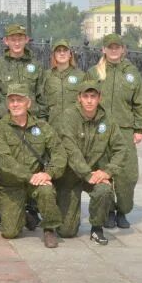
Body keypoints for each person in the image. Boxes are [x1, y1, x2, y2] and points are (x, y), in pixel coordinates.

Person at [0, 85, 68, 248]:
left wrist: (48, 174)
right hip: (11, 184)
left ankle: (49, 229)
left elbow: (59, 153)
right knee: (9, 233)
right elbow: (5, 160)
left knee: (46, 190)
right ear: (7, 104)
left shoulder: (42, 127)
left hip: (37, 182)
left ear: (28, 103)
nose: (15, 104)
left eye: (20, 100)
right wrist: (30, 176)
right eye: (12, 101)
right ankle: (25, 217)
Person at [84, 33, 142, 230]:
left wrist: (139, 128)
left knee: (127, 174)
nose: (113, 50)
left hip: (124, 129)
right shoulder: (95, 73)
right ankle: (109, 211)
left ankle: (123, 210)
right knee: (104, 171)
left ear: (123, 50)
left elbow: (140, 102)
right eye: (109, 47)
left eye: (117, 47)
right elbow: (85, 100)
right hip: (100, 129)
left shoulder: (131, 73)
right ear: (103, 49)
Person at [55, 81, 128, 245]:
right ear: (79, 98)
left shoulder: (107, 119)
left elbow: (121, 148)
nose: (89, 101)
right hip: (70, 175)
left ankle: (97, 228)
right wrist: (87, 174)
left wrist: (107, 172)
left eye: (93, 97)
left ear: (99, 98)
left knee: (104, 189)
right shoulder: (68, 116)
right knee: (66, 232)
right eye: (85, 96)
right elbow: (70, 149)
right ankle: (68, 216)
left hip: (95, 173)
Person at [0, 24, 48, 123]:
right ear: (6, 41)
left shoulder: (36, 65)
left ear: (26, 40)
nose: (17, 43)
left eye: (20, 39)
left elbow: (42, 96)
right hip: (5, 121)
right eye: (13, 40)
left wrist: (42, 120)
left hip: (31, 121)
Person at [43, 40, 84, 127]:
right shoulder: (46, 76)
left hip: (74, 128)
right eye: (58, 51)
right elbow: (42, 102)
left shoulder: (81, 76)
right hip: (52, 128)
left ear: (70, 54)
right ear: (54, 55)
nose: (62, 53)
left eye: (65, 50)